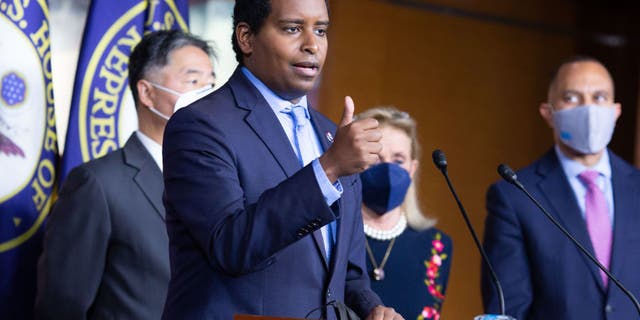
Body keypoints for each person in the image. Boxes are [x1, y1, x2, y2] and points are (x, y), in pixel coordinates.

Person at [161, 0, 402, 319]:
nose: (312, 44)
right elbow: (229, 246)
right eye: (292, 28)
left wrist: (373, 309)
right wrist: (329, 168)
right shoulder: (200, 125)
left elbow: (349, 275)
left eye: (321, 30)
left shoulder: (333, 135)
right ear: (246, 37)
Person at [35, 30, 216, 319]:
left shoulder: (217, 177)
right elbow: (62, 305)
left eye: (211, 83)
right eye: (194, 81)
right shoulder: (98, 185)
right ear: (147, 92)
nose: (207, 94)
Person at [482, 56, 640, 319]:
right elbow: (507, 309)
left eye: (599, 97)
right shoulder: (515, 196)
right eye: (572, 97)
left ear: (616, 111)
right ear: (548, 113)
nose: (588, 109)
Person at [355, 107, 452, 319]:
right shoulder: (331, 235)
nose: (388, 169)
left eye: (398, 160)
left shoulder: (436, 246)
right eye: (376, 158)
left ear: (412, 168)